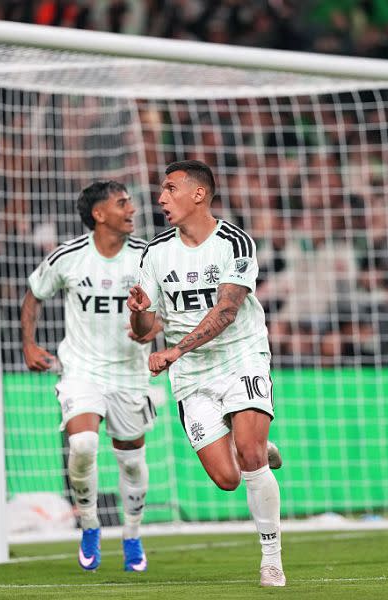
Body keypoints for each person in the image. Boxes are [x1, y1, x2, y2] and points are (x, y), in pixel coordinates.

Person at [127, 160, 286, 587]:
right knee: (228, 479)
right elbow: (145, 332)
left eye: (170, 189)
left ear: (199, 194)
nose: (161, 198)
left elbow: (228, 311)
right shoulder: (155, 253)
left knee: (250, 459)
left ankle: (271, 557)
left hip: (241, 357)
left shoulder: (234, 242)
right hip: (192, 374)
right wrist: (141, 314)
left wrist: (174, 349)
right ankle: (252, 443)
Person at [21, 181, 159, 572]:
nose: (131, 209)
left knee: (131, 463)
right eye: (122, 203)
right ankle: (89, 523)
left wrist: (152, 327)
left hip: (130, 374)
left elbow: (164, 309)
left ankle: (132, 532)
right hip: (81, 370)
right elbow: (34, 293)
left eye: (129, 202)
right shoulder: (69, 257)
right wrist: (29, 345)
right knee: (82, 445)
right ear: (99, 215)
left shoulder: (148, 256)